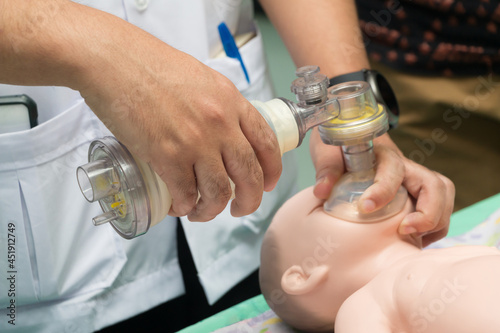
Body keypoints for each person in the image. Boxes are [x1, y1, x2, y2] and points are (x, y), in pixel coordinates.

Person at [0, 0, 453, 332]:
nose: (357, 194)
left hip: (235, 251)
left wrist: (348, 106)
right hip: (53, 269)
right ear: (303, 275)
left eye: (330, 198)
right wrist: (94, 49)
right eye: (321, 208)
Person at [259, 186, 500, 332]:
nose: (358, 189)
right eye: (327, 203)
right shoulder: (363, 304)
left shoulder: (447, 252)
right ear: (302, 277)